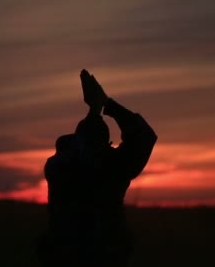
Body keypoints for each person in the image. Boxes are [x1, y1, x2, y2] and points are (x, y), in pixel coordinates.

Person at [39, 69, 158, 267]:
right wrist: (106, 104)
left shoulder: (58, 166)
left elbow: (83, 152)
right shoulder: (112, 166)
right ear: (105, 145)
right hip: (103, 257)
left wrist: (94, 112)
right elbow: (144, 136)